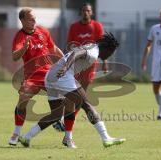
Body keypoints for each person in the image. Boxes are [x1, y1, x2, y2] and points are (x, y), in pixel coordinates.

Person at [18, 32, 126, 148]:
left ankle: (27, 137)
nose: (110, 55)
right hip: (62, 75)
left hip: (50, 76)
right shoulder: (94, 52)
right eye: (111, 52)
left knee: (56, 114)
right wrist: (65, 67)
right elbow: (76, 53)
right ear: (108, 49)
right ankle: (106, 138)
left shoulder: (91, 46)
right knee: (86, 104)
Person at [53, 2, 107, 148]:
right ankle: (65, 126)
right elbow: (69, 45)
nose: (85, 13)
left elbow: (101, 47)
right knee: (75, 98)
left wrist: (105, 62)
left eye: (88, 10)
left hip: (88, 67)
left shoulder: (97, 26)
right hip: (74, 66)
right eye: (83, 10)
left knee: (78, 98)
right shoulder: (74, 27)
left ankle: (65, 125)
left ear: (91, 13)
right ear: (80, 12)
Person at [8, 7, 64, 145]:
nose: (34, 21)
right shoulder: (20, 36)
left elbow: (54, 48)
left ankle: (60, 122)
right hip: (32, 76)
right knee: (22, 100)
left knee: (68, 94)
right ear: (22, 20)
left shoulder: (43, 31)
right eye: (30, 19)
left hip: (48, 74)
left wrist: (66, 61)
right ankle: (16, 133)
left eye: (34, 18)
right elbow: (15, 56)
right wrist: (24, 48)